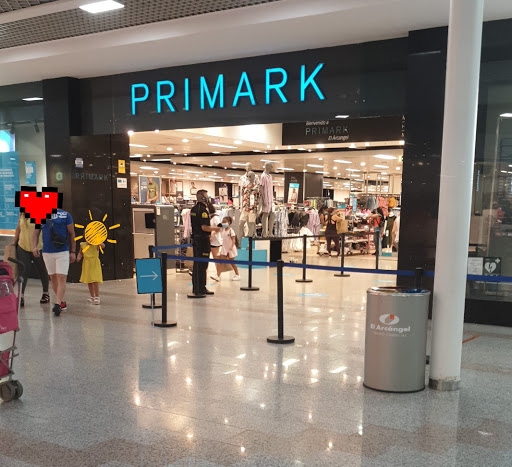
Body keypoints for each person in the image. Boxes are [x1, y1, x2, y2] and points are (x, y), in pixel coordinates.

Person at [32, 209, 75, 316]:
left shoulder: (66, 215)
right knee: (53, 277)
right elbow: (35, 233)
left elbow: (71, 234)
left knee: (61, 277)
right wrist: (34, 247)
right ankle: (61, 301)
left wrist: (73, 251)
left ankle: (57, 304)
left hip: (63, 251)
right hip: (47, 252)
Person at [11, 214, 50, 307]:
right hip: (22, 246)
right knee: (23, 271)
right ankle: (21, 295)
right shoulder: (22, 214)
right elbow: (18, 228)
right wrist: (14, 243)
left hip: (38, 247)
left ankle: (46, 293)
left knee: (42, 270)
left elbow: (46, 230)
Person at [188, 190, 222, 298]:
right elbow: (204, 227)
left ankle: (199, 288)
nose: (208, 198)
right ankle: (200, 289)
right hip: (202, 240)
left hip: (196, 239)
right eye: (206, 196)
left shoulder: (193, 209)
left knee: (198, 264)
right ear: (202, 197)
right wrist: (215, 228)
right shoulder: (203, 210)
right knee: (202, 265)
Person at [211, 216, 240, 282]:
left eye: (225, 222)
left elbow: (233, 239)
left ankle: (237, 274)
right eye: (222, 222)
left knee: (232, 262)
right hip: (224, 248)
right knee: (221, 261)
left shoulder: (231, 231)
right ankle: (218, 275)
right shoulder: (223, 230)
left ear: (229, 222)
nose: (223, 223)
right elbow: (217, 230)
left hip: (230, 249)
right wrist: (213, 233)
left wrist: (231, 246)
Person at [76, 241, 104, 305]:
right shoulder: (82, 244)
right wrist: (79, 257)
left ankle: (97, 296)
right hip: (87, 264)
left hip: (94, 264)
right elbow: (80, 253)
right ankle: (92, 296)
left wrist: (98, 242)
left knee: (94, 280)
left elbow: (103, 245)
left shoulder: (96, 244)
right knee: (89, 280)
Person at [209, 205, 223, 280]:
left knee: (216, 258)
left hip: (215, 241)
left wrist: (213, 233)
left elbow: (220, 227)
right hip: (210, 241)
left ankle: (218, 274)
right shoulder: (209, 218)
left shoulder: (215, 218)